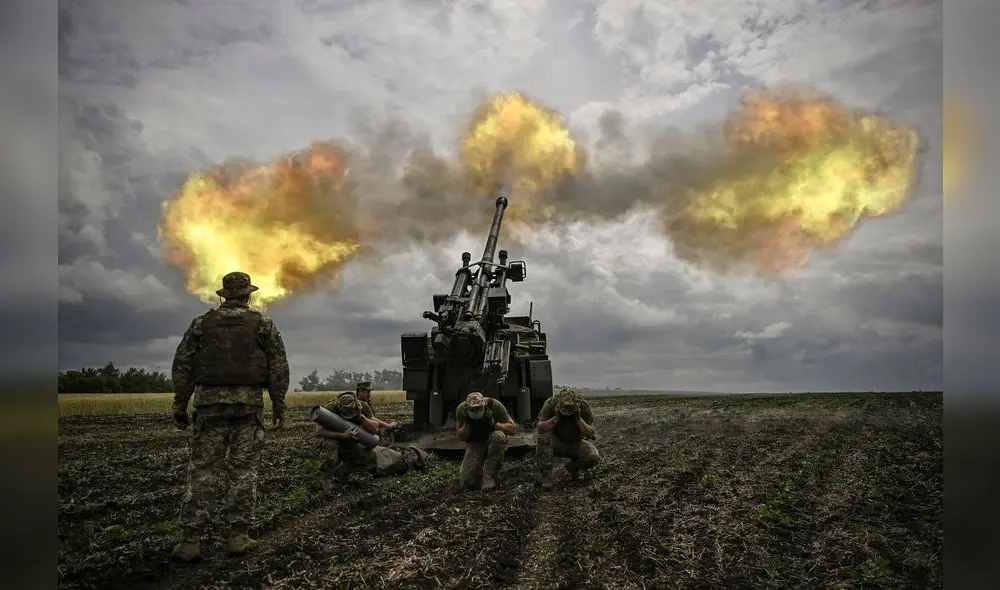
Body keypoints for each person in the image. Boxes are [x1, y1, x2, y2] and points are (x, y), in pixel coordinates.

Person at [169, 271, 289, 561]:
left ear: (223, 295)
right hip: (247, 409)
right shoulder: (263, 324)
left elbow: (182, 366)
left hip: (209, 408)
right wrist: (278, 404)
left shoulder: (201, 324)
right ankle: (237, 537)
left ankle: (190, 542)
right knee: (242, 471)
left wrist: (180, 405)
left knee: (203, 471)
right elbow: (278, 366)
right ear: (248, 294)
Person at [314, 394, 431, 489]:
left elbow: (374, 429)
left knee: (369, 458)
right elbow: (319, 432)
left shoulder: (362, 407)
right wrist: (343, 435)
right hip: (335, 439)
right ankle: (327, 479)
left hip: (352, 439)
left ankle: (343, 472)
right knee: (330, 444)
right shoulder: (330, 408)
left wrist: (361, 418)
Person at [534, 388, 599, 491]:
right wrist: (555, 418)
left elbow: (590, 433)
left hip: (576, 443)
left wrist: (578, 419)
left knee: (593, 456)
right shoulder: (551, 403)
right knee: (544, 439)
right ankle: (546, 478)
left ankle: (573, 467)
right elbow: (540, 428)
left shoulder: (583, 406)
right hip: (557, 442)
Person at [455, 392, 517, 491]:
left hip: (492, 438)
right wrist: (467, 422)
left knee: (499, 436)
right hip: (475, 442)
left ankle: (490, 475)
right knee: (466, 483)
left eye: (478, 410)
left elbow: (512, 429)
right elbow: (462, 436)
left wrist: (493, 423)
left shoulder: (494, 405)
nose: (476, 412)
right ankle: (480, 473)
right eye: (473, 410)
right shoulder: (461, 409)